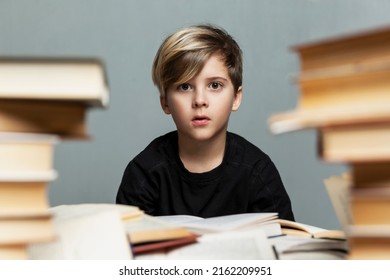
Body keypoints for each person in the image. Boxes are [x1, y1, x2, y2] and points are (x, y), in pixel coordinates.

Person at [116, 24, 295, 220]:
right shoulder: (144, 173)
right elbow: (126, 247)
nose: (200, 100)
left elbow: (283, 244)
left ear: (236, 97)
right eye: (185, 87)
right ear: (165, 103)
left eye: (215, 85)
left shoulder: (258, 172)